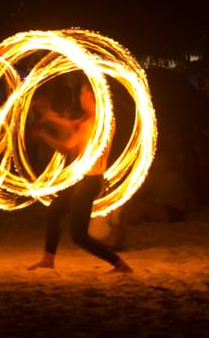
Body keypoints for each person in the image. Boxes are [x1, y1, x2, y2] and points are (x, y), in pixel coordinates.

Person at [28, 81, 132, 273]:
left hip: (89, 183)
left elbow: (68, 148)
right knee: (54, 210)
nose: (80, 97)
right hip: (86, 180)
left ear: (92, 96)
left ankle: (119, 263)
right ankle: (48, 258)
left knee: (79, 235)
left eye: (84, 93)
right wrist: (50, 114)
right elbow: (70, 126)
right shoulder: (103, 121)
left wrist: (43, 135)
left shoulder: (92, 124)